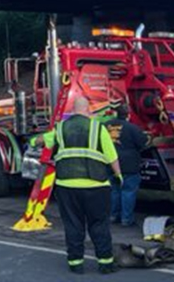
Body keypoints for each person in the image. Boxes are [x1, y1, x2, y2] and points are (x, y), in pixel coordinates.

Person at [34, 96, 122, 274]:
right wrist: (119, 175)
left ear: (73, 111)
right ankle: (105, 263)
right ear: (88, 110)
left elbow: (41, 141)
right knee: (99, 224)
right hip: (96, 186)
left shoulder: (60, 128)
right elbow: (111, 156)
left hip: (67, 186)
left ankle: (75, 263)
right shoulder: (98, 128)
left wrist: (32, 141)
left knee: (73, 225)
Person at [103, 100, 147, 227]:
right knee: (128, 191)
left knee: (114, 190)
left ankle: (113, 215)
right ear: (128, 115)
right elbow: (143, 143)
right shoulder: (132, 128)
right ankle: (126, 219)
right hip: (129, 165)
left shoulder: (106, 126)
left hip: (110, 163)